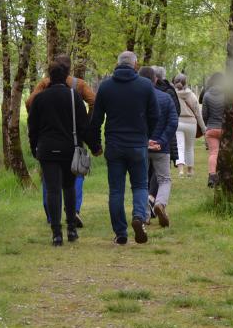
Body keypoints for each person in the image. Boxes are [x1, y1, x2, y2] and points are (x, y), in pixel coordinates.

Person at [90, 51, 159, 244]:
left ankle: (120, 233)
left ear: (117, 64)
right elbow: (155, 114)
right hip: (138, 144)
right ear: (135, 64)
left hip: (114, 144)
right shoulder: (145, 86)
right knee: (140, 185)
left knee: (116, 190)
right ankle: (138, 217)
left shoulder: (105, 87)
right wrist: (147, 135)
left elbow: (96, 120)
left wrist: (95, 144)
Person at [28, 61, 100, 246]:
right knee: (69, 188)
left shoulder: (40, 98)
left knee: (52, 189)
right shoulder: (73, 96)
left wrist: (34, 147)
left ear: (49, 77)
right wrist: (94, 146)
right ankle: (71, 229)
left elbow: (32, 127)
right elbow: (83, 125)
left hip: (47, 148)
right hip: (70, 148)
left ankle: (56, 233)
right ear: (67, 76)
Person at [138, 67, 178, 227]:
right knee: (164, 179)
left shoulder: (136, 99)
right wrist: (161, 141)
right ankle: (160, 203)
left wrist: (146, 140)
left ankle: (145, 215)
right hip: (162, 148)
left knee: (141, 181)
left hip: (141, 146)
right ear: (155, 80)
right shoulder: (166, 98)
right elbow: (173, 122)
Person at [201, 72, 233, 188]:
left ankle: (212, 175)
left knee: (214, 153)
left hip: (211, 129)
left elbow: (204, 115)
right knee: (226, 154)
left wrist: (209, 125)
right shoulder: (229, 95)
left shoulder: (206, 95)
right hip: (226, 130)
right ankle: (224, 176)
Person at [173, 73, 206, 178]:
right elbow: (198, 114)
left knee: (179, 146)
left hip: (178, 122)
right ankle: (190, 170)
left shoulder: (172, 95)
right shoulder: (192, 95)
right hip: (191, 123)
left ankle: (181, 171)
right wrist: (203, 128)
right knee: (189, 147)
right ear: (185, 83)